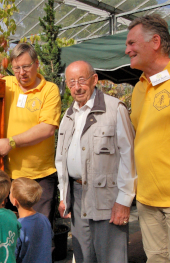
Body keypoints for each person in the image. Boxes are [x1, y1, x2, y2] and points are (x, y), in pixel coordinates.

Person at [55, 60, 137, 263]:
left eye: (82, 80)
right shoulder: (68, 115)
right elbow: (60, 158)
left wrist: (124, 200)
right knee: (84, 256)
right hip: (77, 195)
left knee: (112, 257)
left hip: (107, 197)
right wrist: (64, 194)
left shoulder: (114, 109)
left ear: (94, 80)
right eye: (71, 82)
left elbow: (129, 156)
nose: (77, 87)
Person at [125, 14, 170, 262]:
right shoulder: (140, 87)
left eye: (132, 43)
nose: (127, 49)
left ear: (155, 42)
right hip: (147, 200)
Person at [0, 43, 61, 224]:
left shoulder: (49, 90)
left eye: (26, 66)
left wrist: (11, 142)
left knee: (38, 230)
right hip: (7, 175)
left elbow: (47, 128)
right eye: (16, 68)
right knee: (10, 231)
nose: (21, 73)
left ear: (37, 64)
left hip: (39, 177)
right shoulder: (7, 84)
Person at [10, 177, 53, 263]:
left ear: (15, 201)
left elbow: (11, 256)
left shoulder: (17, 227)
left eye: (10, 192)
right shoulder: (44, 219)